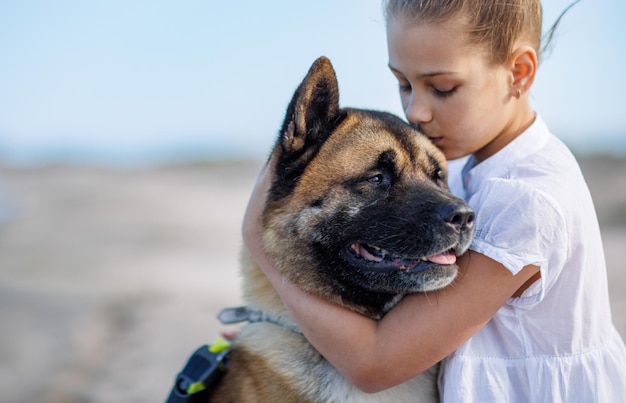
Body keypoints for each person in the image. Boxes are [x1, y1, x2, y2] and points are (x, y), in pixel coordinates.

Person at [241, 0, 626, 401]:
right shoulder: (473, 165)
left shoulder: (527, 200)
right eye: (404, 84)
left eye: (442, 88)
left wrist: (259, 238)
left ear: (519, 72)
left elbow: (375, 363)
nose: (415, 111)